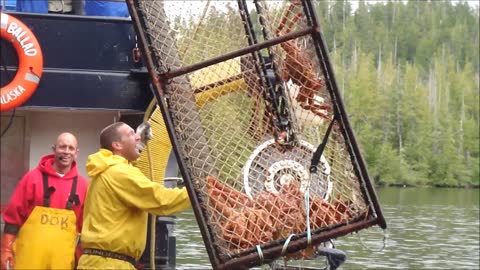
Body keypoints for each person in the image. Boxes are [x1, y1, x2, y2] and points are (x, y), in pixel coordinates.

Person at [77, 122, 191, 269]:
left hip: (102, 261)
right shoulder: (120, 172)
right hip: (109, 264)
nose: (138, 137)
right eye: (131, 134)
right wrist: (200, 193)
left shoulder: (105, 169)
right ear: (117, 145)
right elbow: (162, 200)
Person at [0, 132, 89, 270]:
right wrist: (5, 249)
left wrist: (81, 255)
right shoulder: (32, 178)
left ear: (76, 153)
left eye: (71, 148)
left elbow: (85, 227)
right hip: (28, 260)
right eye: (62, 147)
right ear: (54, 149)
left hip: (62, 262)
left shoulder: (83, 185)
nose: (66, 152)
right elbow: (13, 217)